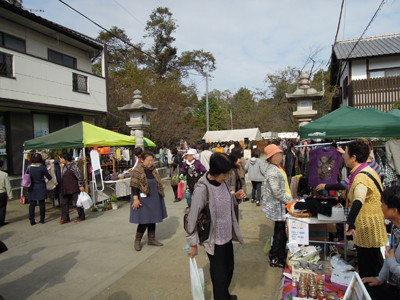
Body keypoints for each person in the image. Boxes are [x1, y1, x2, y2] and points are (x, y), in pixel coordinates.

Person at [187, 153, 245, 300]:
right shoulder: (202, 189)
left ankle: (225, 294)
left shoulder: (223, 182)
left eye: (228, 175)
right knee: (220, 275)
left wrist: (235, 197)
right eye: (224, 175)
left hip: (227, 235)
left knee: (229, 268)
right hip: (214, 238)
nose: (226, 178)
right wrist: (192, 244)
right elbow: (192, 218)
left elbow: (224, 201)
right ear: (215, 172)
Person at [343, 141, 387, 278]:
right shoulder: (368, 170)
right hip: (371, 224)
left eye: (345, 154)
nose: (343, 156)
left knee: (370, 268)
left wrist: (350, 220)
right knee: (374, 263)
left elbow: (358, 200)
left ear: (353, 158)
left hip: (368, 227)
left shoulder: (361, 176)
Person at [362, 185, 400, 300]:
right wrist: (380, 278)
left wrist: (391, 261)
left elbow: (390, 258)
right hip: (393, 285)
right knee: (365, 288)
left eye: (383, 204)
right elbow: (390, 253)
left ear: (394, 211)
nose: (381, 207)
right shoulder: (395, 229)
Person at [263, 144, 295, 268]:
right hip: (279, 206)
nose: (279, 156)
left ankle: (277, 253)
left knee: (280, 231)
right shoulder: (272, 171)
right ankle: (276, 258)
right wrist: (290, 201)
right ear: (270, 158)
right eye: (276, 155)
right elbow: (277, 193)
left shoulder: (278, 167)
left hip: (283, 205)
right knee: (279, 233)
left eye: (280, 154)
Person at [130, 151, 168, 251]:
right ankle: (137, 240)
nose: (150, 163)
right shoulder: (137, 170)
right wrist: (136, 199)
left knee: (153, 219)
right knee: (144, 220)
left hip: (154, 197)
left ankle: (151, 239)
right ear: (142, 160)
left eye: (152, 160)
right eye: (148, 161)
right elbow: (134, 186)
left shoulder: (153, 170)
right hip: (142, 199)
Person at [27, 153, 57, 225]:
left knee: (32, 204)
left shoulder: (29, 167)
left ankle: (32, 220)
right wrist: (55, 182)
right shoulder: (42, 168)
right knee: (42, 204)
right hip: (41, 186)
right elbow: (48, 177)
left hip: (32, 187)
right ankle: (42, 219)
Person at [59, 152, 85, 224]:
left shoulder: (73, 166)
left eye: (61, 158)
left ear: (65, 159)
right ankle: (65, 218)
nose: (60, 160)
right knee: (64, 203)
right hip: (66, 188)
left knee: (78, 202)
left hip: (74, 187)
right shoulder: (65, 166)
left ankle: (81, 216)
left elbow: (79, 176)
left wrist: (81, 185)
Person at [228, 151, 244, 222]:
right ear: (234, 159)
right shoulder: (228, 169)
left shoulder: (237, 167)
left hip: (236, 191)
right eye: (239, 158)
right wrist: (231, 191)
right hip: (231, 193)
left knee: (235, 210)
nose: (240, 160)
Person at [0, 159, 12, 227]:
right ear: (1, 167)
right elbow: (8, 186)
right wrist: (10, 195)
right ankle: (1, 221)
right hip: (2, 193)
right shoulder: (4, 174)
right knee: (2, 208)